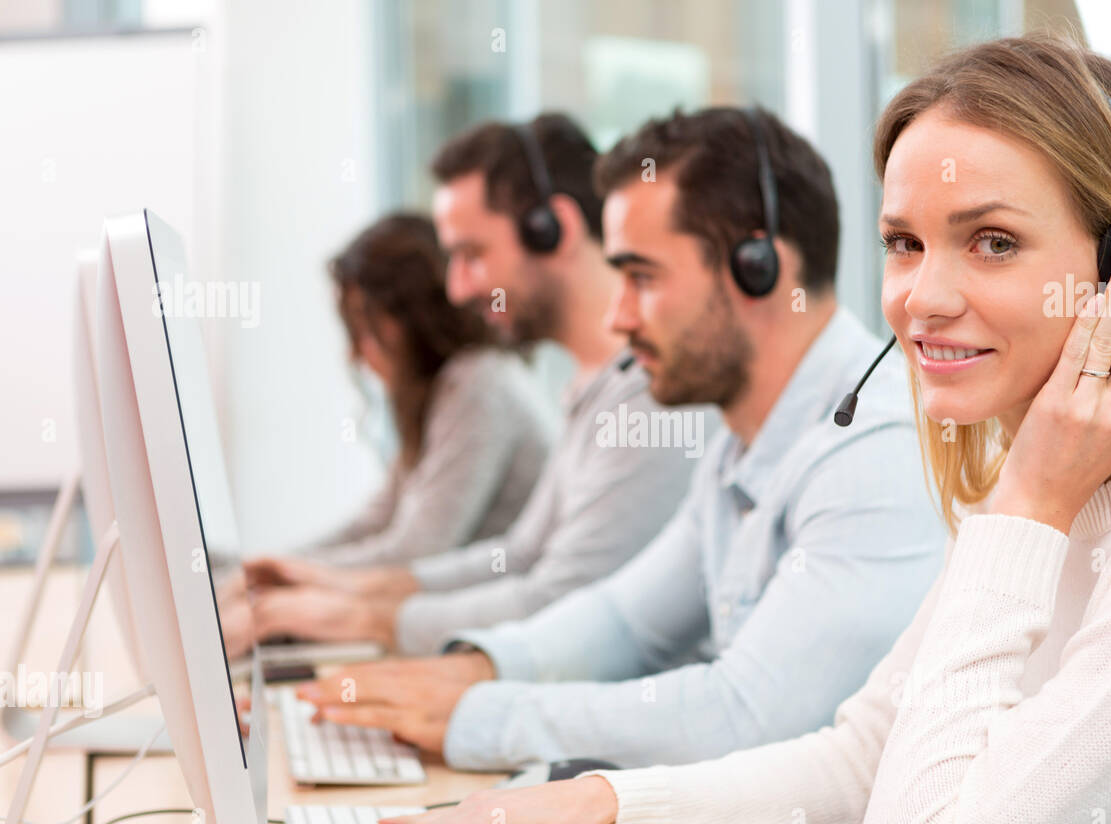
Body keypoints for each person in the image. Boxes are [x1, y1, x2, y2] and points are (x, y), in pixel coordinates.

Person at [357, 33, 1111, 824]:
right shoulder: (1049, 485)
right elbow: (865, 755)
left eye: (993, 243)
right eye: (905, 243)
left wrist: (1029, 506)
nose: (922, 297)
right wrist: (610, 804)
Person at [297, 106, 948, 779]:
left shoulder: (873, 451)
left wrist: (481, 714)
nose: (617, 314)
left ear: (759, 268)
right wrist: (475, 668)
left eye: (642, 277)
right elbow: (624, 621)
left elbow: (744, 716)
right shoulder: (741, 445)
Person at [245, 114, 710, 649]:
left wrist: (349, 615)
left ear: (551, 229)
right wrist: (334, 588)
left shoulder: (650, 399)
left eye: (471, 255)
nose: (458, 288)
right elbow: (518, 557)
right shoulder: (597, 387)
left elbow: (557, 599)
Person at [294, 212, 556, 568]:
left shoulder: (479, 386)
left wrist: (280, 579)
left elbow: (416, 552)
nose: (356, 353)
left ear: (414, 318)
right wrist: (258, 573)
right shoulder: (441, 397)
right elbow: (372, 524)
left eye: (365, 329)